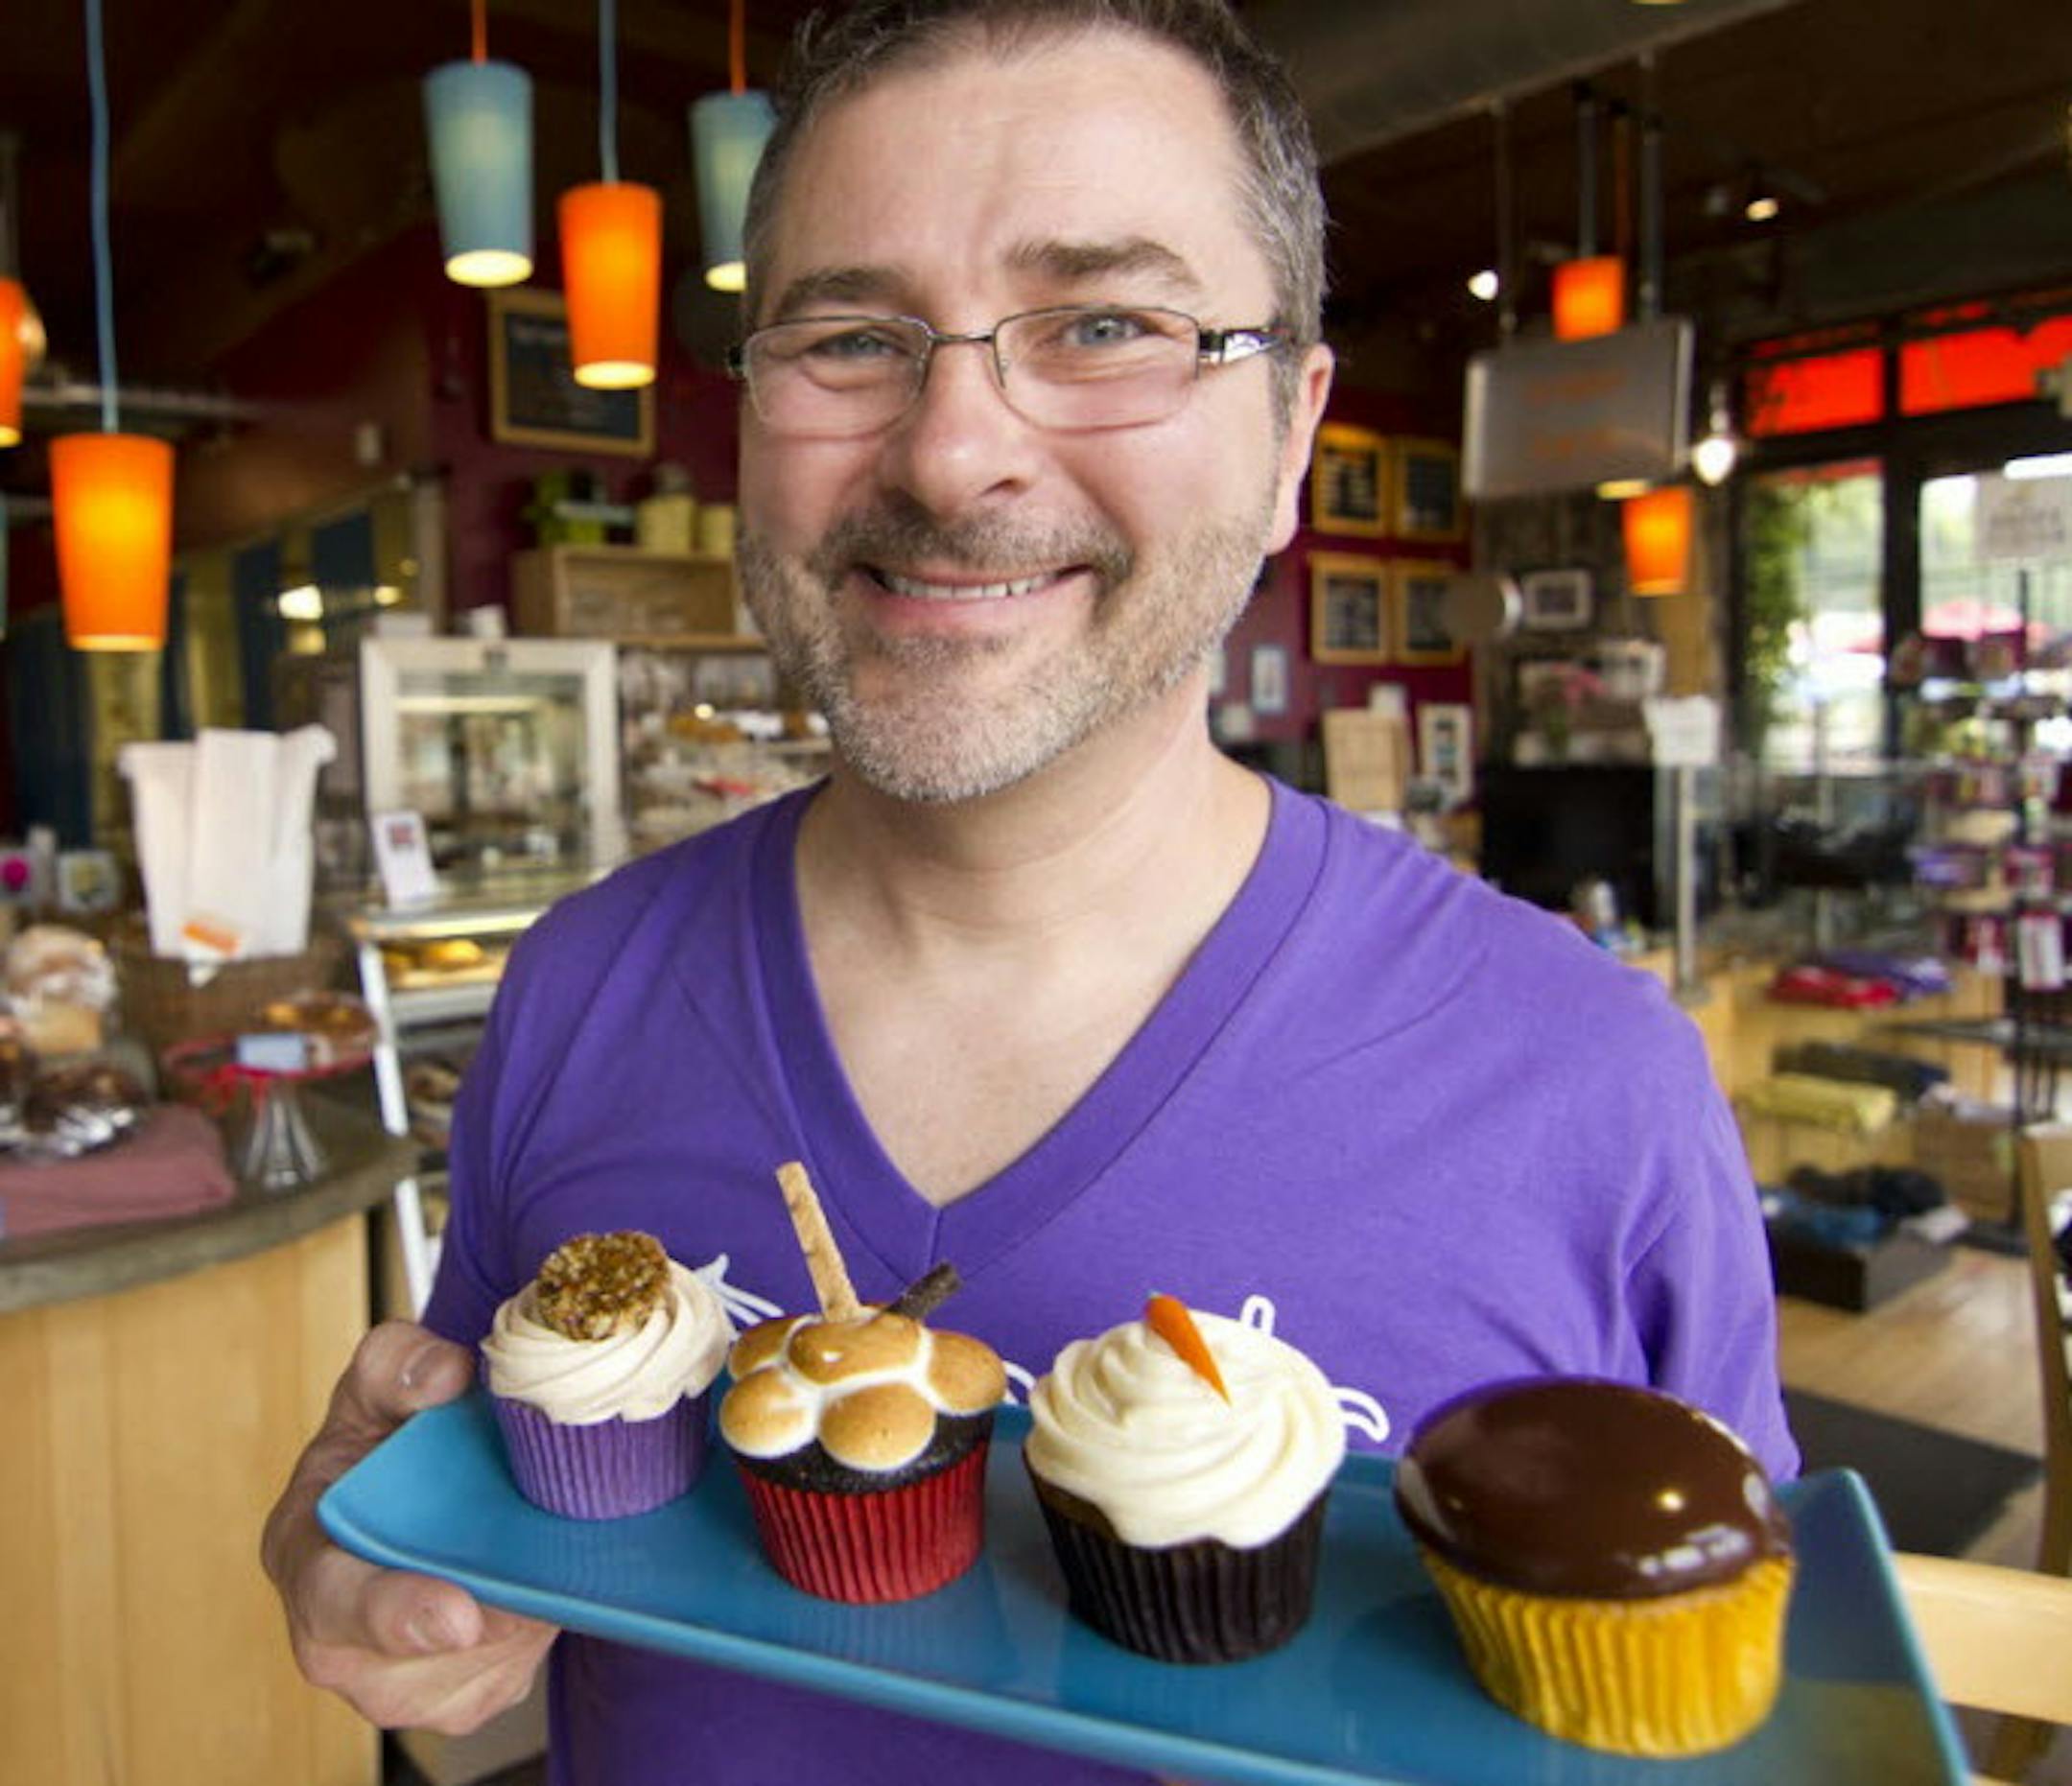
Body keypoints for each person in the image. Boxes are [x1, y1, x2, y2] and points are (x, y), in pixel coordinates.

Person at [264, 2, 1797, 1779]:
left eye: (1104, 326)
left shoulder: (1587, 1079)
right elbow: (497, 1606)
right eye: (849, 336)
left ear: (1294, 428)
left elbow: (1722, 1709)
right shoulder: (579, 989)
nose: (947, 452)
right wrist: (382, 1587)